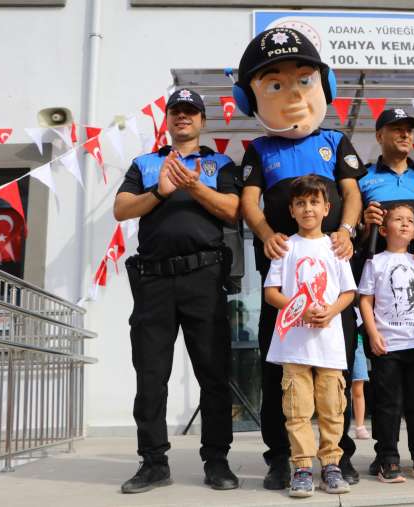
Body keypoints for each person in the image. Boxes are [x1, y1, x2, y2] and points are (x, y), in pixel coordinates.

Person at [237, 27, 365, 488]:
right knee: (280, 372)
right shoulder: (258, 149)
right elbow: (249, 200)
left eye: (303, 79)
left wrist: (348, 230)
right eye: (275, 83)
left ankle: (338, 457)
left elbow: (351, 191)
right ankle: (282, 457)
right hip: (283, 286)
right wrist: (268, 232)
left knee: (336, 369)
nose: (291, 93)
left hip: (332, 285)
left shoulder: (336, 141)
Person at [114, 88, 241, 493]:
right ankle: (153, 462)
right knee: (151, 375)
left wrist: (193, 185)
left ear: (203, 121)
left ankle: (217, 461)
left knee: (213, 373)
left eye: (191, 112)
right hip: (153, 282)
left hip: (203, 278)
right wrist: (160, 191)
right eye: (176, 112)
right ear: (167, 120)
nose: (183, 117)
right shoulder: (146, 163)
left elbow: (234, 210)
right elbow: (121, 209)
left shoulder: (218, 163)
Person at [357, 108, 414, 472]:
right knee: (387, 389)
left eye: (409, 129)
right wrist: (364, 224)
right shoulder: (363, 178)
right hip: (381, 290)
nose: (405, 135)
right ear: (379, 135)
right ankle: (387, 455)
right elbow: (361, 235)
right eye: (396, 129)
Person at [263, 175, 357, 498]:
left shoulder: (335, 246)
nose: (307, 209)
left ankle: (331, 463)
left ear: (327, 207)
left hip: (329, 344)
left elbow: (348, 292)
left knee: (332, 406)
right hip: (294, 345)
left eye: (314, 202)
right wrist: (297, 309)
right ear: (291, 209)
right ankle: (301, 467)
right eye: (300, 203)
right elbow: (270, 293)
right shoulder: (285, 246)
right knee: (297, 407)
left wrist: (331, 311)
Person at [359, 204, 414, 483]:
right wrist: (372, 334)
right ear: (383, 229)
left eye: (410, 221)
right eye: (398, 220)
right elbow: (365, 301)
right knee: (388, 405)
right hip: (388, 345)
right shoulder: (375, 262)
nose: (405, 224)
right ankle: (388, 459)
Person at [351, 335, 371, 439]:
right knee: (338, 388)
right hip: (338, 342)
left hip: (358, 342)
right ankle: (338, 426)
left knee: (358, 388)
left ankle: (360, 426)